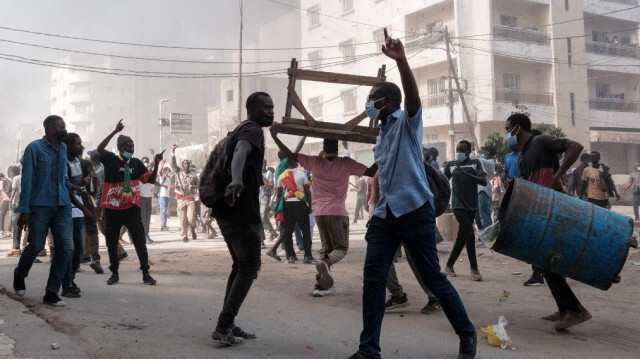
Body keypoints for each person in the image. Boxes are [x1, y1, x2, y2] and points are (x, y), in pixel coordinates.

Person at [350, 29, 476, 359]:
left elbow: (413, 98)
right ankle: (368, 350)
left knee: (433, 278)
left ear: (387, 102)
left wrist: (402, 61)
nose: (368, 106)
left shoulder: (407, 121)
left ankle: (467, 335)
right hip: (385, 215)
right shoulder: (380, 136)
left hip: (415, 211)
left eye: (372, 99)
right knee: (373, 279)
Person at [505, 113, 591, 330]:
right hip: (539, 211)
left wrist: (558, 175)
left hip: (553, 208)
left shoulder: (541, 141)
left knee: (547, 261)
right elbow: (530, 182)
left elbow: (576, 146)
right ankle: (564, 309)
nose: (507, 134)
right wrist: (515, 186)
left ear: (517, 128)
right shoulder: (524, 155)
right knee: (544, 262)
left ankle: (575, 310)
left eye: (508, 129)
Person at [270, 134, 377, 297]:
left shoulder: (314, 162)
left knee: (326, 248)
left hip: (319, 213)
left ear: (323, 148)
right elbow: (371, 170)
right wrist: (385, 153)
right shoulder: (346, 163)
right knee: (341, 248)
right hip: (337, 213)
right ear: (338, 148)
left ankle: (320, 286)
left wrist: (274, 135)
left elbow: (290, 155)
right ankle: (325, 263)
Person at [209, 91, 273, 346]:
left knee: (240, 266)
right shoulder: (252, 131)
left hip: (228, 209)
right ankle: (223, 326)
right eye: (266, 108)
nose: (271, 111)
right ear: (253, 109)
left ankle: (228, 323)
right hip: (239, 210)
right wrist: (237, 179)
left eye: (272, 107)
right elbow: (241, 152)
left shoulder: (242, 128)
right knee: (248, 267)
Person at [13, 115, 77, 307]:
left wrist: (72, 186)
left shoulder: (63, 148)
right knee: (35, 245)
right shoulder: (34, 148)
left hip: (63, 205)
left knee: (66, 247)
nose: (64, 130)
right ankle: (20, 274)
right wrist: (25, 209)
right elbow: (28, 180)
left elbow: (61, 178)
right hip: (40, 205)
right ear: (51, 129)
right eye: (61, 127)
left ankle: (51, 292)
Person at [97, 119, 162, 286]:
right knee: (111, 242)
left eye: (133, 147)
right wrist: (114, 131)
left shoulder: (136, 163)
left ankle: (146, 272)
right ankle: (114, 273)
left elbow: (150, 181)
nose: (131, 150)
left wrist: (157, 163)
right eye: (128, 147)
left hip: (132, 209)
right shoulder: (111, 160)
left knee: (140, 242)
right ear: (121, 148)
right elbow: (100, 149)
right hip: (112, 209)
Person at [443, 140, 487, 281]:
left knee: (462, 236)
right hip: (457, 205)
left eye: (462, 150)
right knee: (469, 233)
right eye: (458, 150)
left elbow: (483, 181)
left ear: (468, 151)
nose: (459, 152)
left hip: (472, 205)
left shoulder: (475, 163)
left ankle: (449, 264)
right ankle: (474, 269)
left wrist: (466, 174)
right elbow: (443, 182)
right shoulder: (451, 165)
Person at [61, 133, 96, 297]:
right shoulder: (64, 163)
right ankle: (65, 283)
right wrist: (84, 208)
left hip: (78, 211)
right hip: (67, 210)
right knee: (69, 249)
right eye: (77, 143)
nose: (81, 146)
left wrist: (84, 181)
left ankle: (70, 279)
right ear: (68, 145)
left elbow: (76, 186)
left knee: (79, 248)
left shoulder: (76, 162)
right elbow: (67, 191)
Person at [276, 158, 314, 264]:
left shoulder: (281, 176)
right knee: (305, 231)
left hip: (287, 205)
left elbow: (279, 194)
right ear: (296, 163)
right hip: (300, 204)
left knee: (288, 231)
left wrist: (277, 208)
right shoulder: (302, 174)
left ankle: (290, 257)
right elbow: (307, 192)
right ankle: (308, 256)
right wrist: (310, 206)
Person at [171, 144, 199, 243]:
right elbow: (173, 164)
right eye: (185, 164)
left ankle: (192, 228)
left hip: (190, 198)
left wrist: (193, 187)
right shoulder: (178, 173)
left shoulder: (194, 175)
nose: (186, 165)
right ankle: (185, 235)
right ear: (182, 165)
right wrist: (173, 151)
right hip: (180, 198)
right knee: (182, 219)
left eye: (188, 164)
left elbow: (199, 186)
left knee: (191, 218)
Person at [477, 145, 496, 229]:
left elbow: (478, 159)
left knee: (483, 215)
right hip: (482, 190)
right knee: (484, 214)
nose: (483, 153)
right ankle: (488, 236)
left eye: (484, 151)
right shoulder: (485, 161)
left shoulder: (489, 163)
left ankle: (488, 237)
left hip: (483, 190)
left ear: (487, 153)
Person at [7, 166, 23, 256]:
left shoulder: (16, 178)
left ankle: (16, 248)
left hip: (17, 204)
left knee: (16, 226)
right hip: (26, 203)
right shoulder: (28, 177)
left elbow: (14, 190)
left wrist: (10, 201)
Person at [157, 165, 172, 231]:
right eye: (168, 170)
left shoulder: (168, 177)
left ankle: (164, 225)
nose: (169, 172)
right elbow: (159, 172)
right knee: (163, 211)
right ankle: (163, 226)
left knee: (165, 211)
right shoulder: (162, 176)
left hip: (167, 196)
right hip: (162, 196)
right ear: (165, 171)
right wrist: (162, 164)